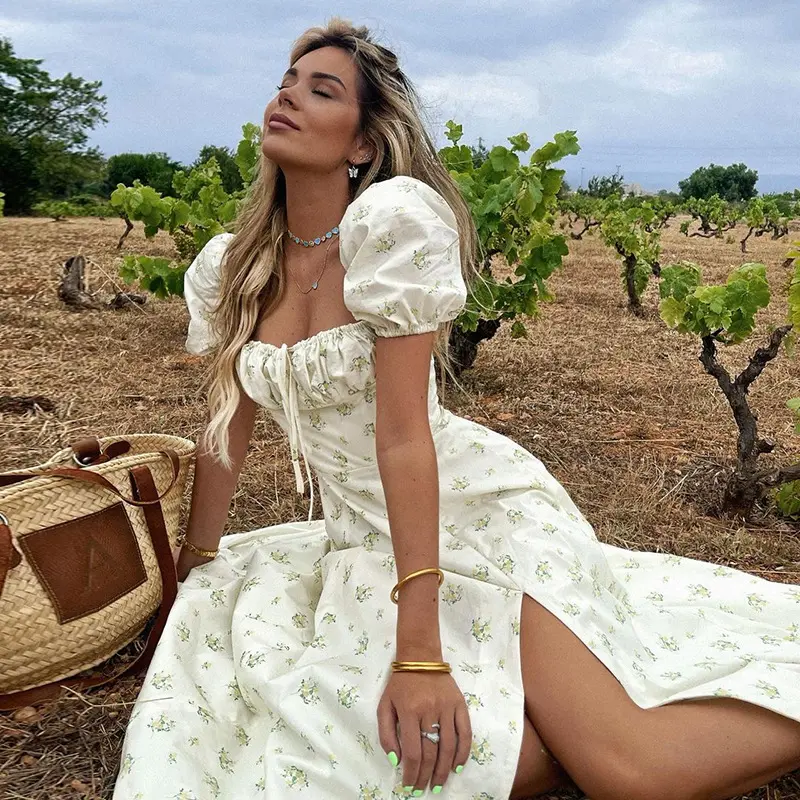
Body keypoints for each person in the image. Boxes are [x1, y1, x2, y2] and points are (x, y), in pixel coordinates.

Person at [113, 18, 800, 800]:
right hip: (357, 537)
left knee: (627, 772)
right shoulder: (232, 267)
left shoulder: (388, 229)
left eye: (321, 88)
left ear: (364, 144)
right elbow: (223, 438)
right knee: (394, 751)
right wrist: (194, 570)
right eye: (286, 82)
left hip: (471, 513)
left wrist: (419, 653)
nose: (288, 96)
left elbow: (403, 439)